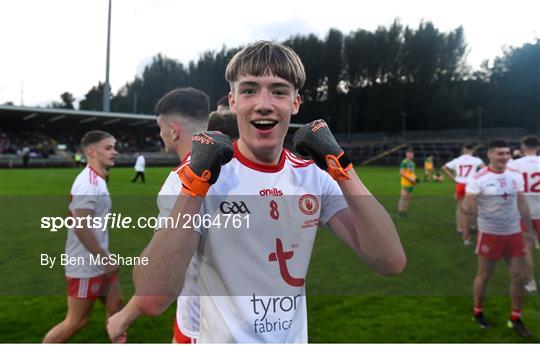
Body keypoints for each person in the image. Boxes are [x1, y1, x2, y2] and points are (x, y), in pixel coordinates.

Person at [133, 40, 406, 343]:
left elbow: (390, 261)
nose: (264, 103)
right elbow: (151, 299)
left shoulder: (315, 177)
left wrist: (342, 167)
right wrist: (195, 188)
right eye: (249, 90)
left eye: (278, 91)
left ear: (295, 103)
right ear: (233, 101)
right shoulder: (191, 180)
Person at [106, 87, 210, 343]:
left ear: (173, 130)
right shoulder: (244, 165)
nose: (160, 134)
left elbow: (156, 287)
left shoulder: (182, 180)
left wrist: (121, 318)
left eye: (160, 127)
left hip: (203, 327)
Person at [43, 130, 123, 343]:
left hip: (99, 259)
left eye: (114, 147)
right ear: (91, 151)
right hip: (86, 264)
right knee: (76, 322)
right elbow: (80, 226)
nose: (114, 152)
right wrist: (104, 259)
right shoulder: (87, 183)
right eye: (108, 148)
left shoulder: (98, 180)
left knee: (116, 307)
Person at [462, 139, 535, 337]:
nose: (505, 157)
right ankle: (478, 312)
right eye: (500, 153)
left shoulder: (515, 175)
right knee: (484, 276)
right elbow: (468, 206)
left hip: (513, 234)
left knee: (518, 277)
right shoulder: (478, 178)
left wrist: (528, 231)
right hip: (490, 234)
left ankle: (516, 318)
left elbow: (522, 204)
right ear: (490, 155)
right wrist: (467, 225)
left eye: (507, 153)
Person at [507, 135, 540, 293]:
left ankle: (531, 282)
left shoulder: (513, 164)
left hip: (521, 211)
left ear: (522, 147)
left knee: (526, 249)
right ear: (538, 148)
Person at [442, 144, 485, 241]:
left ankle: (460, 227)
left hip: (460, 184)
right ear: (472, 150)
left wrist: (453, 178)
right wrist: (477, 177)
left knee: (460, 207)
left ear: (464, 150)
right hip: (471, 185)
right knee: (473, 207)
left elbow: (444, 167)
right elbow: (485, 169)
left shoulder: (457, 160)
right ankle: (471, 226)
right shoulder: (476, 160)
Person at [398, 147, 418, 218]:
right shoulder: (404, 162)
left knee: (408, 198)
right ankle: (400, 212)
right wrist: (410, 179)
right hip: (405, 183)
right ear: (406, 154)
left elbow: (412, 173)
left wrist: (415, 179)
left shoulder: (412, 163)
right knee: (403, 197)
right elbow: (401, 172)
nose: (411, 155)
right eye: (409, 153)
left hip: (411, 183)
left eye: (412, 153)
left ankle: (404, 211)